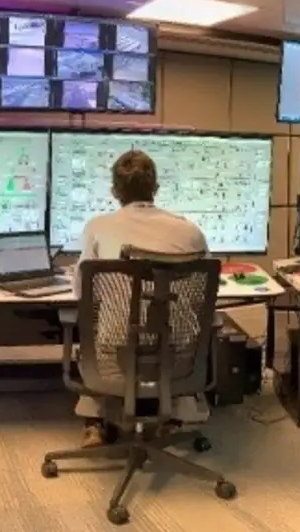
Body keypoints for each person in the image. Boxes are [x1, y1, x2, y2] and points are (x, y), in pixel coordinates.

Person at [74, 150, 209, 448]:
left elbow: (81, 292)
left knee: (93, 333)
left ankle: (95, 423)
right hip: (179, 357)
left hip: (114, 358)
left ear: (114, 191)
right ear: (156, 188)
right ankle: (173, 421)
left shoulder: (98, 227)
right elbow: (201, 300)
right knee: (187, 331)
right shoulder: (191, 232)